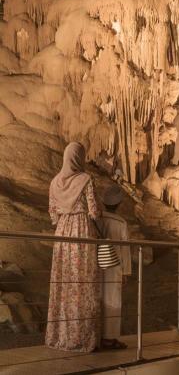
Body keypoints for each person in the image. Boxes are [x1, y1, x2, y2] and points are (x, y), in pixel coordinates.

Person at [46, 142, 102, 352]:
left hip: (62, 233)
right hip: (81, 231)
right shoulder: (85, 179)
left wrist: (63, 216)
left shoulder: (54, 182)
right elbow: (94, 211)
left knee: (64, 281)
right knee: (82, 282)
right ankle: (80, 337)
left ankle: (59, 336)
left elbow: (53, 214)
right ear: (79, 157)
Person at [98, 183, 132, 349]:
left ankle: (94, 334)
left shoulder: (96, 218)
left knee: (97, 298)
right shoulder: (120, 222)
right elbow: (125, 248)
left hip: (96, 265)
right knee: (112, 301)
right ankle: (109, 338)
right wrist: (126, 272)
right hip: (113, 266)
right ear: (118, 204)